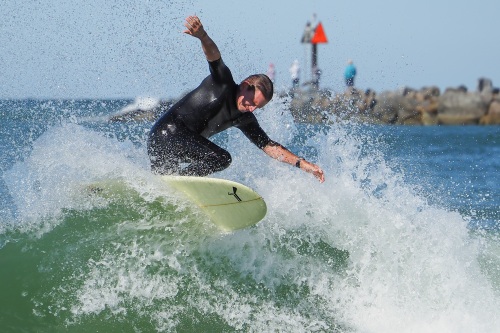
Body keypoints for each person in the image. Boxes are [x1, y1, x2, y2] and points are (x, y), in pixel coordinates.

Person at [147, 16, 325, 183]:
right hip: (166, 135)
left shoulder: (244, 117)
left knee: (166, 184)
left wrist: (302, 164)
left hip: (175, 146)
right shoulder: (223, 83)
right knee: (222, 158)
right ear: (245, 85)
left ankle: (176, 184)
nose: (252, 109)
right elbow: (215, 57)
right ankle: (181, 182)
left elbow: (269, 146)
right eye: (253, 102)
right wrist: (202, 36)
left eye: (257, 107)